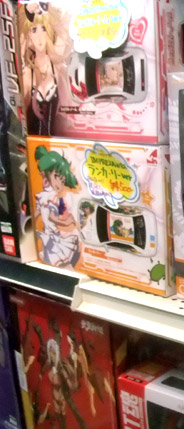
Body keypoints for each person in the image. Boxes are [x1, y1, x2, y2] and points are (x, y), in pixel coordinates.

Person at [19, 3, 67, 136]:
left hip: (58, 139)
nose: (40, 36)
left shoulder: (55, 63)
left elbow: (65, 26)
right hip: (33, 140)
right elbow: (20, 104)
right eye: (34, 30)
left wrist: (46, 5)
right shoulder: (28, 72)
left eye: (44, 28)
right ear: (28, 35)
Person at [34, 145, 79, 267]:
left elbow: (47, 216)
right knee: (59, 264)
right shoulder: (48, 197)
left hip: (53, 237)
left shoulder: (53, 197)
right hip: (51, 237)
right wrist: (66, 222)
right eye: (55, 177)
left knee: (61, 264)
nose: (59, 183)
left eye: (62, 180)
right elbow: (50, 217)